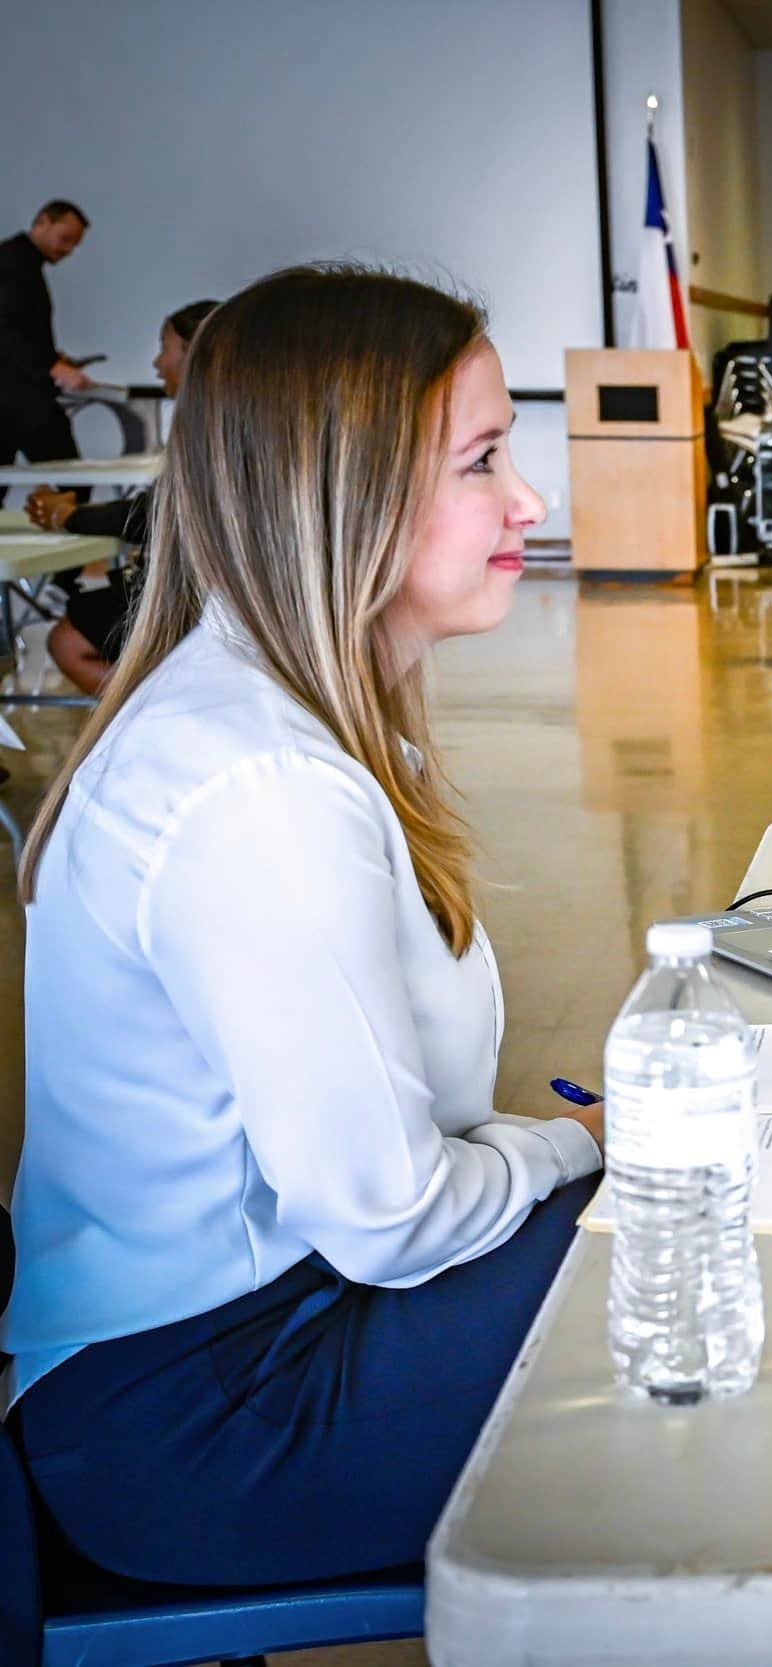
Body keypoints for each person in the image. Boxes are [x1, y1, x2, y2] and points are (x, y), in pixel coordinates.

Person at [2, 265, 604, 1587]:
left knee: (674, 1219)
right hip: (201, 1418)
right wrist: (569, 1147)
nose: (530, 501)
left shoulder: (294, 714)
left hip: (266, 1328)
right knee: (692, 1263)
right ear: (344, 492)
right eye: (484, 460)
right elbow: (386, 1212)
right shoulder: (260, 785)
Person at [26, 298, 217, 693]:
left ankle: (164, 713)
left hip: (192, 601)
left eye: (165, 348)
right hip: (205, 595)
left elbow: (156, 515)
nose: (156, 362)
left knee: (68, 638)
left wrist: (68, 516)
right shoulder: (218, 421)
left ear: (193, 354)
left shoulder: (210, 428)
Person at [0, 201, 91, 481]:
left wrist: (52, 357)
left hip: (13, 394)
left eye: (74, 245)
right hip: (20, 398)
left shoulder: (19, 261)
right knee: (72, 480)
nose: (67, 250)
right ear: (42, 222)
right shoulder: (12, 262)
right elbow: (4, 327)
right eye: (65, 239)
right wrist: (51, 365)